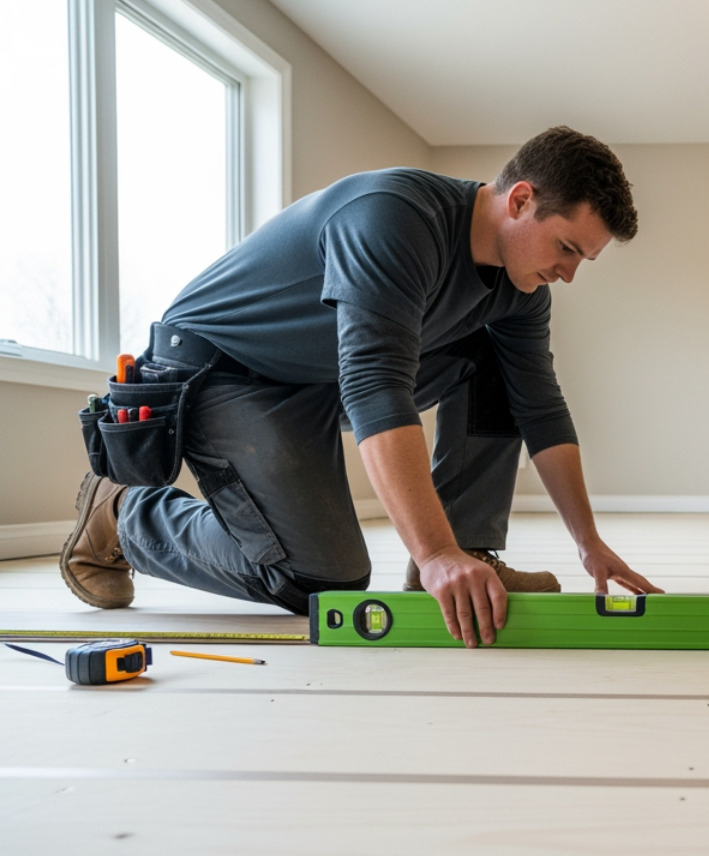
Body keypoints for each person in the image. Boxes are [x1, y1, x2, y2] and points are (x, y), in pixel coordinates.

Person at [61, 126, 660, 647]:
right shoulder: (394, 219)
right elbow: (376, 385)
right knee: (322, 582)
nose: (569, 273)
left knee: (498, 363)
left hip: (317, 377)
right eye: (566, 248)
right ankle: (126, 514)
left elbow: (540, 406)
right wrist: (432, 553)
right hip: (225, 370)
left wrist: (588, 543)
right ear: (521, 200)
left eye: (584, 260)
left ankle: (469, 550)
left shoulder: (519, 289)